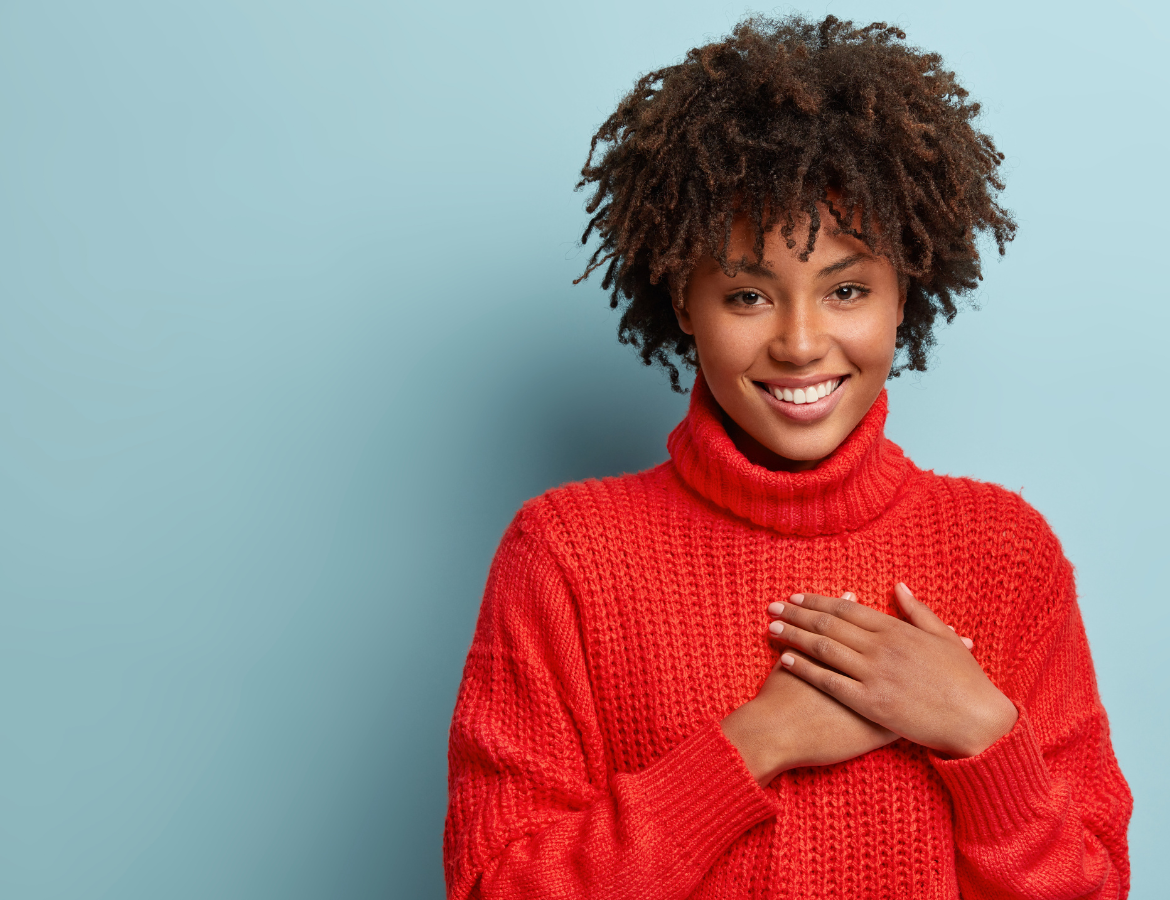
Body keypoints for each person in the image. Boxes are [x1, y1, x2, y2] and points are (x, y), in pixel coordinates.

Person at [443, 15, 1132, 899]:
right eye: (745, 294)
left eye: (847, 289)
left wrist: (978, 731)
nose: (802, 343)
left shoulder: (1005, 552)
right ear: (682, 301)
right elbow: (494, 888)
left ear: (903, 295)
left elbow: (1093, 885)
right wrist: (756, 745)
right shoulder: (568, 555)